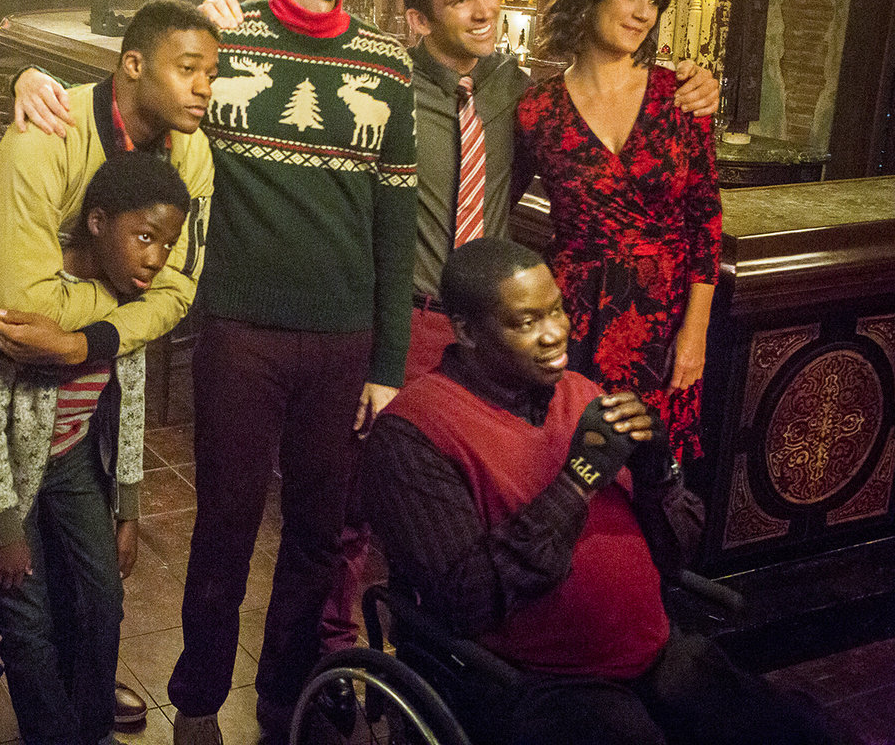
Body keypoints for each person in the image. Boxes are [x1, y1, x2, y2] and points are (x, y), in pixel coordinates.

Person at [21, 0, 418, 745]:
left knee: (316, 534)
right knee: (226, 527)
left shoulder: (386, 62)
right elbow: (131, 102)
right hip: (238, 329)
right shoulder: (225, 45)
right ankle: (198, 698)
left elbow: (396, 224)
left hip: (344, 338)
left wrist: (387, 364)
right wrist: (31, 83)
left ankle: (281, 697)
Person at [317, 0, 720, 654]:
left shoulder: (525, 91)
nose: (483, 11)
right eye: (461, 0)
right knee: (378, 499)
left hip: (546, 327)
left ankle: (584, 633)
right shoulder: (399, 88)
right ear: (418, 18)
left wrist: (697, 79)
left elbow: (694, 214)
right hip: (429, 318)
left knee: (564, 479)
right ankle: (354, 649)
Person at [358, 238, 848, 745]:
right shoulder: (415, 433)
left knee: (803, 730)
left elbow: (676, 554)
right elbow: (469, 599)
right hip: (537, 680)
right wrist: (576, 482)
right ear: (466, 331)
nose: (555, 333)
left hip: (656, 651)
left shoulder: (582, 392)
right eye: (526, 322)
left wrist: (659, 469)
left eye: (556, 310)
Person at [0, 0, 218, 745]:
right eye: (188, 69)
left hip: (84, 374)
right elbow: (24, 311)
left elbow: (179, 290)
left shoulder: (191, 153)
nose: (203, 88)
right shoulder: (45, 133)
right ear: (133, 65)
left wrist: (87, 340)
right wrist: (118, 308)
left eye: (211, 74)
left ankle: (69, 705)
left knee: (74, 575)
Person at [0, 154, 191, 745]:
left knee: (104, 597)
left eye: (167, 244)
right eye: (144, 237)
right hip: (6, 480)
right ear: (97, 222)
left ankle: (93, 728)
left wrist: (128, 509)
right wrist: (3, 528)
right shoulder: (22, 293)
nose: (156, 259)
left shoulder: (130, 300)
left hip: (72, 460)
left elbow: (129, 403)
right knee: (27, 619)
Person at [516, 0, 721, 459]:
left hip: (663, 317)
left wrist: (695, 333)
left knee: (651, 473)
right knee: (567, 460)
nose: (644, 14)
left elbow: (705, 222)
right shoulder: (537, 109)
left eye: (655, 1)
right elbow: (494, 198)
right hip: (572, 315)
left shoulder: (681, 95)